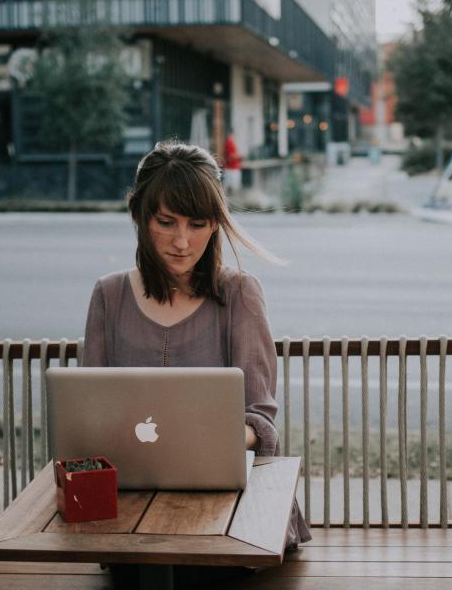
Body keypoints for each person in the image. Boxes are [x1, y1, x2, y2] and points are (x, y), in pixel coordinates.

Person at [81, 141, 310, 584]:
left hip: (229, 512)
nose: (182, 242)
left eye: (198, 224)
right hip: (131, 509)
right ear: (139, 216)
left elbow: (260, 421)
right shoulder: (109, 295)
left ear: (216, 225)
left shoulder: (240, 293)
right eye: (165, 222)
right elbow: (89, 411)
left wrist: (201, 439)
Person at [223, 130, 242, 195]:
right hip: (231, 168)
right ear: (231, 135)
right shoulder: (229, 142)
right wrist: (238, 155)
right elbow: (231, 156)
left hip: (233, 167)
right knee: (230, 186)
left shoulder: (232, 142)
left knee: (232, 186)